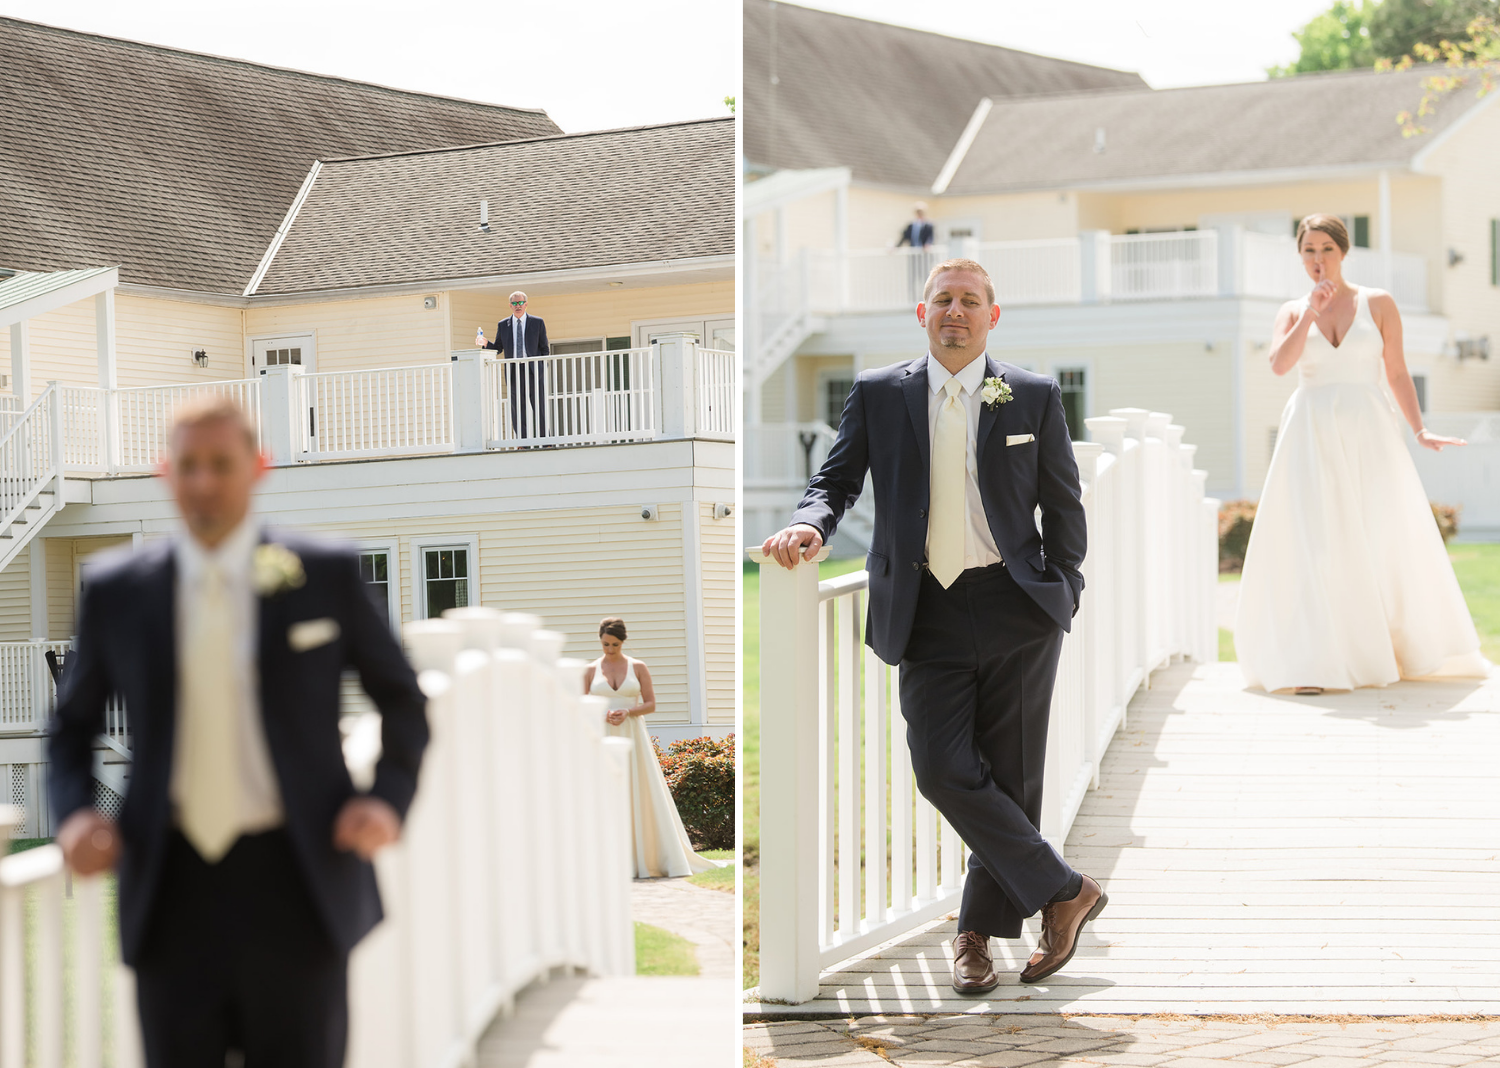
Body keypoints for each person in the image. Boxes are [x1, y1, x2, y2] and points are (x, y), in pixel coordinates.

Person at [49, 396, 429, 1068]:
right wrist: (76, 814)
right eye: (187, 465)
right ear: (164, 472)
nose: (203, 482)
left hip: (298, 880)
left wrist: (386, 799)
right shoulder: (117, 589)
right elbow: (71, 725)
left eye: (220, 464)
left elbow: (401, 699)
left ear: (258, 467)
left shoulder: (325, 573)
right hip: (170, 888)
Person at [762, 258, 1106, 992]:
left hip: (1017, 607)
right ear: (922, 315)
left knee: (1008, 780)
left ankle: (975, 939)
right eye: (942, 300)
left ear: (993, 315)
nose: (956, 311)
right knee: (943, 768)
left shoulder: (1033, 396)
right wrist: (808, 524)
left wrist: (1064, 589)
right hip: (926, 609)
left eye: (970, 300)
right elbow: (837, 479)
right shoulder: (879, 394)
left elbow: (1065, 504)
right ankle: (1063, 889)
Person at [1234, 214, 1487, 693]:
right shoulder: (1291, 310)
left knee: (1378, 536)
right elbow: (1279, 366)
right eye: (1308, 250)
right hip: (1308, 434)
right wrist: (1310, 312)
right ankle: (1314, 662)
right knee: (1315, 540)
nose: (1317, 259)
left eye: (1326, 248)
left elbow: (1396, 372)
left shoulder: (1379, 303)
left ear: (1344, 252)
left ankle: (1386, 649)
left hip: (1369, 430)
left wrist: (1420, 429)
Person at [582, 617, 714, 878]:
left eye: (615, 645)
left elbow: (651, 703)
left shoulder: (638, 666)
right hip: (602, 736)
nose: (610, 649)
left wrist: (628, 711)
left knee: (639, 788)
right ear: (600, 640)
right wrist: (602, 715)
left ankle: (649, 855)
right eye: (606, 644)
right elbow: (581, 706)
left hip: (633, 734)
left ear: (623, 641)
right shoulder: (590, 670)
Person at [479, 290, 551, 440]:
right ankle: (522, 441)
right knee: (518, 407)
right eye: (514, 303)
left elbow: (544, 349)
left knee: (539, 406)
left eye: (520, 303)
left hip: (533, 370)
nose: (518, 306)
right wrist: (485, 343)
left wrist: (541, 368)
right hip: (514, 371)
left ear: (526, 304)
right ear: (510, 306)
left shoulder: (537, 322)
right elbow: (498, 348)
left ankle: (545, 440)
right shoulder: (503, 324)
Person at [896, 202, 936, 304]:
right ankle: (912, 299)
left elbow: (931, 238)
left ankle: (925, 298)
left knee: (924, 277)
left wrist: (927, 245)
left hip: (924, 256)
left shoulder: (928, 225)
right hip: (913, 256)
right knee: (912, 277)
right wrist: (895, 248)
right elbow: (904, 238)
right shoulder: (911, 225)